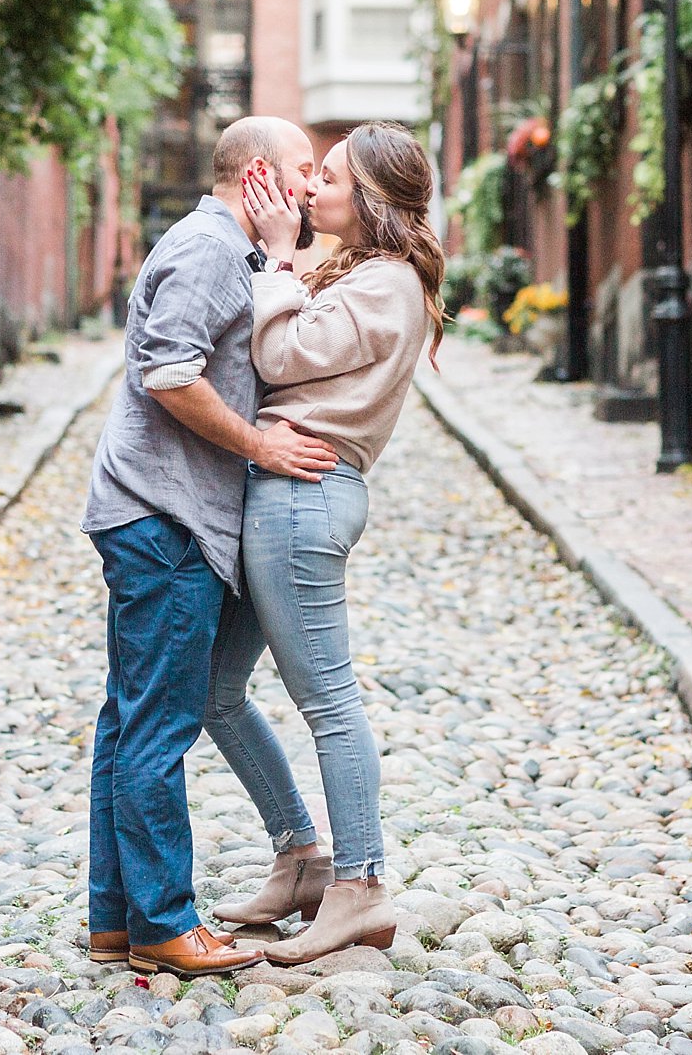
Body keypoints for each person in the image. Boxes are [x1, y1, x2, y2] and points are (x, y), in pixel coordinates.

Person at [80, 116, 340, 978]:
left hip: (157, 513)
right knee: (158, 724)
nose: (310, 187)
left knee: (130, 719)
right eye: (303, 170)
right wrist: (262, 447)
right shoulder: (206, 249)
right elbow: (167, 373)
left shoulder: (236, 250)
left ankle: (116, 918)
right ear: (261, 174)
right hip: (166, 518)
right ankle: (162, 921)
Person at [202, 121, 446, 964]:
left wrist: (275, 254)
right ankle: (305, 858)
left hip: (303, 499)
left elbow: (280, 353)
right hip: (281, 496)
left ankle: (361, 886)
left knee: (329, 703)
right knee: (212, 689)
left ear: (372, 194)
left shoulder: (387, 285)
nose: (312, 190)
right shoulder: (364, 275)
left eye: (329, 177)